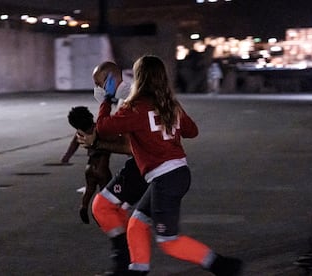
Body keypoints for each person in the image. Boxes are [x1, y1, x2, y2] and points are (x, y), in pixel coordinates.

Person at [96, 55, 243, 276]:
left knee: (168, 241)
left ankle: (223, 266)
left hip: (166, 178)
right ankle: (137, 270)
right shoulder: (169, 104)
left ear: (139, 78)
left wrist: (107, 99)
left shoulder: (135, 107)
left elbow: (103, 127)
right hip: (176, 174)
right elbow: (192, 131)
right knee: (137, 223)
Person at [75, 61, 150, 275]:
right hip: (152, 163)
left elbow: (129, 147)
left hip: (145, 165)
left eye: (99, 83)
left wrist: (96, 143)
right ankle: (134, 265)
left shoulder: (127, 100)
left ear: (110, 80)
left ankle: (123, 263)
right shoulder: (130, 95)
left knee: (101, 207)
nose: (97, 89)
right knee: (122, 213)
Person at [63, 106, 112, 224]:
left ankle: (84, 206)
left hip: (89, 166)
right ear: (90, 116)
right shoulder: (98, 128)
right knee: (106, 193)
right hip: (102, 167)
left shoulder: (80, 133)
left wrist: (66, 157)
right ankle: (99, 213)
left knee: (89, 189)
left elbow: (73, 145)